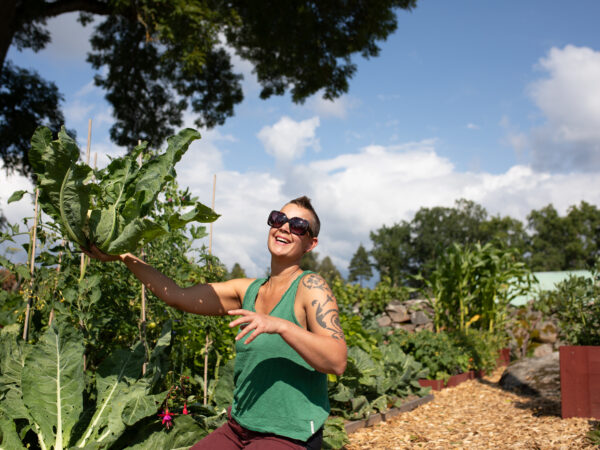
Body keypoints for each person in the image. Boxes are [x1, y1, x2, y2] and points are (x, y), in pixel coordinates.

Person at [83, 196, 347, 449]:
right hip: (240, 428)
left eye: (299, 226)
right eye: (278, 219)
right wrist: (124, 256)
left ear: (311, 243)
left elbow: (336, 361)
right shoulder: (247, 291)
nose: (286, 227)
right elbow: (177, 295)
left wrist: (280, 325)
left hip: (289, 434)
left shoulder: (311, 286)